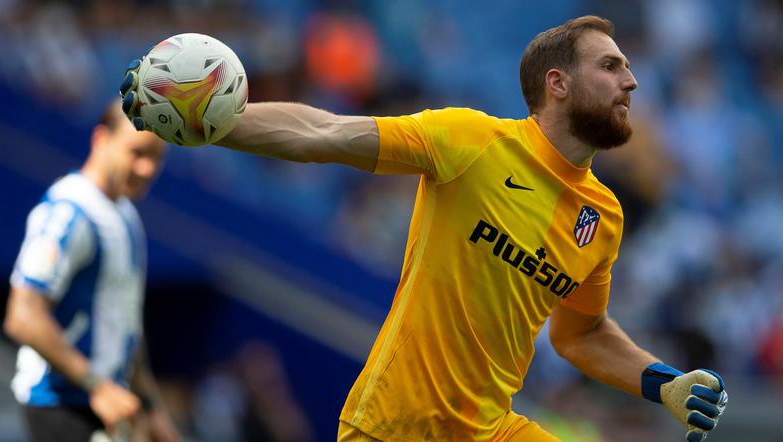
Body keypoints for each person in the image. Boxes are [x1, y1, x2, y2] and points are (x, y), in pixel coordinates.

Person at [121, 15, 728, 442]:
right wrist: (209, 118)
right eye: (611, 66)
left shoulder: (604, 217)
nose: (632, 81)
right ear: (558, 84)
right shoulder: (469, 141)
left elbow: (582, 334)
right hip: (393, 426)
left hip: (491, 429)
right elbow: (323, 133)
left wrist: (664, 384)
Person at [3, 100, 178, 442]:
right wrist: (97, 386)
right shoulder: (69, 213)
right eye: (137, 152)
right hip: (59, 405)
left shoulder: (124, 214)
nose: (146, 168)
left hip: (101, 405)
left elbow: (125, 324)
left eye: (156, 158)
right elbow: (22, 315)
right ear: (101, 140)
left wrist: (152, 408)